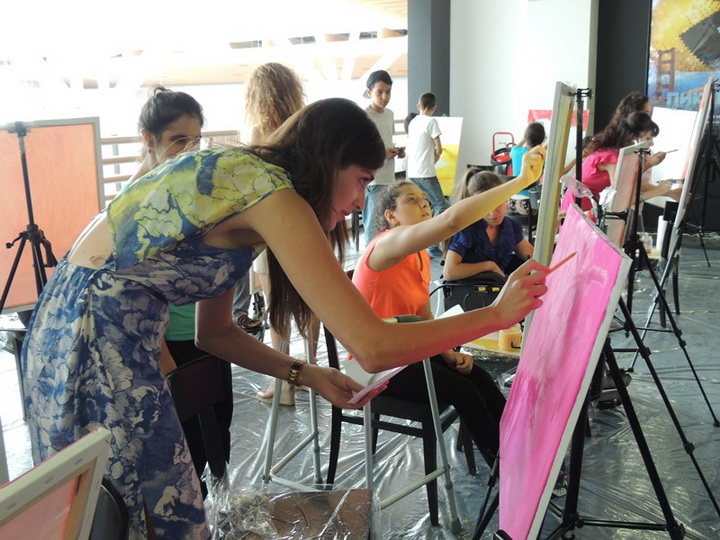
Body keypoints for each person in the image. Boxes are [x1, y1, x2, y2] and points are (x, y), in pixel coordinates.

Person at [21, 98, 548, 538]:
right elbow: (374, 347)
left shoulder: (246, 181)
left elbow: (214, 333)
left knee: (126, 506)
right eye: (361, 180)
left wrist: (307, 373)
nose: (359, 200)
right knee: (141, 511)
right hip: (95, 340)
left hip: (65, 327)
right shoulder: (272, 194)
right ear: (330, 160)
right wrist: (496, 315)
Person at [351, 147, 545, 466]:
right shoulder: (386, 244)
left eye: (425, 200)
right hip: (379, 364)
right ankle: (505, 464)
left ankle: (520, 448)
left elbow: (423, 315)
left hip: (407, 350)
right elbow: (451, 220)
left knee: (478, 376)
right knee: (463, 390)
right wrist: (521, 180)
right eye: (412, 200)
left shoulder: (419, 255)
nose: (424, 205)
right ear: (391, 216)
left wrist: (448, 353)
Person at [128, 86, 234, 497]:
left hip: (210, 337)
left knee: (217, 444)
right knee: (185, 460)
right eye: (178, 140)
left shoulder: (190, 192)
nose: (188, 150)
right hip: (170, 347)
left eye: (196, 140)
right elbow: (135, 299)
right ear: (148, 138)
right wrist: (168, 366)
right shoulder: (132, 207)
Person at [240, 62, 311, 406]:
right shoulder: (304, 127)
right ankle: (310, 372)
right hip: (305, 223)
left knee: (277, 307)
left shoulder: (258, 131)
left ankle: (283, 384)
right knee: (309, 302)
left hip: (269, 228)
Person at [561, 112, 678, 213]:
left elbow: (629, 181)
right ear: (634, 137)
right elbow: (620, 199)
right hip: (580, 205)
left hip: (587, 202)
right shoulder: (612, 158)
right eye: (648, 138)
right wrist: (658, 191)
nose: (652, 144)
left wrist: (667, 192)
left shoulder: (618, 153)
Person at [443, 169, 534, 282]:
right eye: (485, 207)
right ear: (474, 206)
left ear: (506, 198)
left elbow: (535, 258)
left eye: (497, 203)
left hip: (501, 288)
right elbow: (449, 272)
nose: (493, 213)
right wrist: (489, 266)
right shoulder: (466, 230)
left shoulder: (511, 227)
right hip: (471, 289)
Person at [363, 69, 405, 245]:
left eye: (388, 92)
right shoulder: (363, 116)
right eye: (379, 92)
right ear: (369, 92)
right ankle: (369, 260)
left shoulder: (390, 114)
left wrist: (397, 151)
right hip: (373, 179)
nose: (384, 97)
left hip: (389, 177)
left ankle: (385, 260)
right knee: (373, 229)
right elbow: (359, 149)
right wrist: (382, 152)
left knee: (388, 228)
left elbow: (386, 140)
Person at [406, 92, 447, 258]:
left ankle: (422, 244)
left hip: (413, 172)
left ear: (419, 106)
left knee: (424, 207)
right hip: (426, 172)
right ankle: (431, 243)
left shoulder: (413, 122)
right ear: (434, 107)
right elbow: (439, 149)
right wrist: (433, 160)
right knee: (442, 206)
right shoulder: (431, 121)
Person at [509, 121, 546, 215]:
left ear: (526, 137)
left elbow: (512, 151)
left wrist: (525, 137)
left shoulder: (515, 151)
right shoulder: (540, 156)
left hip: (512, 203)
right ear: (542, 140)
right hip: (530, 204)